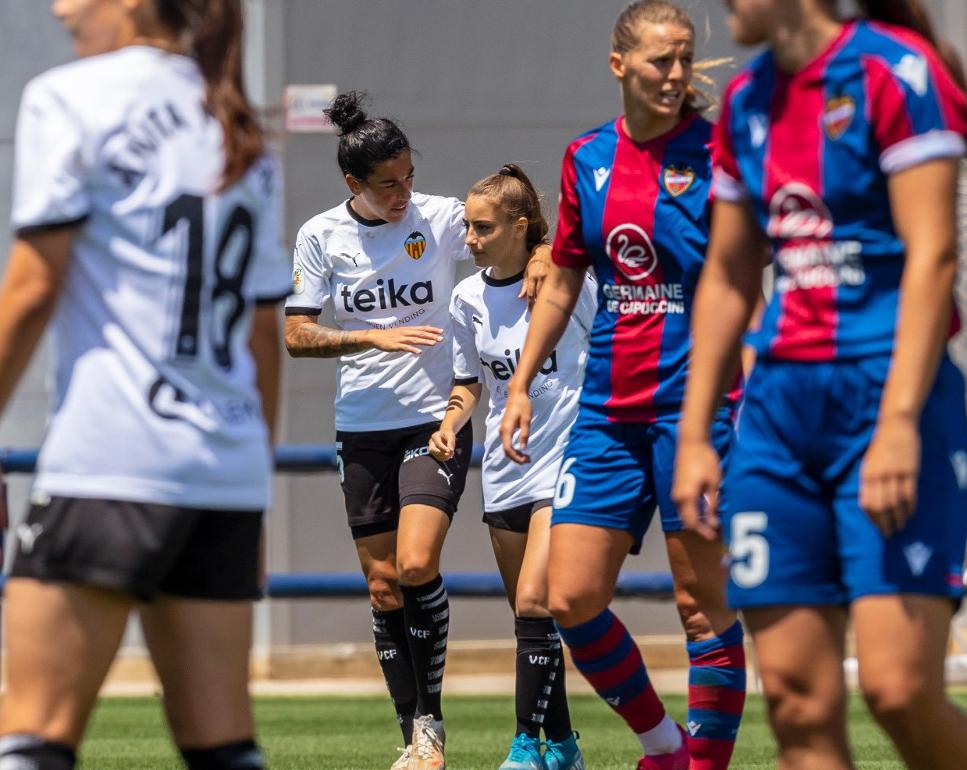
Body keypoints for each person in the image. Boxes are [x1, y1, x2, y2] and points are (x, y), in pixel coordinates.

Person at [0, 2, 286, 769]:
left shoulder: (70, 96)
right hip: (222, 471)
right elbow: (262, 336)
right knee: (224, 748)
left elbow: (34, 286)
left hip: (110, 457)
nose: (57, 5)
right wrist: (250, 482)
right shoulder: (236, 123)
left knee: (32, 739)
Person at [673, 1, 967, 768]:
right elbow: (726, 275)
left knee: (897, 690)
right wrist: (694, 437)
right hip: (778, 421)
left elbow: (935, 256)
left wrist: (897, 424)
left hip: (888, 406)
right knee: (795, 701)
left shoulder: (894, 72)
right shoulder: (748, 102)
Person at [500, 3, 747, 769]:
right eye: (658, 62)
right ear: (619, 66)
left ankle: (700, 766)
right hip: (607, 410)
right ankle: (664, 747)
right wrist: (519, 386)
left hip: (698, 408)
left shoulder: (720, 155)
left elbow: (745, 280)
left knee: (701, 606)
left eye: (683, 60)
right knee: (565, 596)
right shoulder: (586, 158)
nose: (674, 75)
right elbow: (566, 274)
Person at [285, 92, 548, 770]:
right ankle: (419, 735)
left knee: (414, 565)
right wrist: (374, 336)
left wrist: (545, 252)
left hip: (436, 421)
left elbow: (514, 224)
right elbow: (295, 334)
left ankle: (433, 720)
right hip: (361, 428)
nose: (404, 192)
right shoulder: (320, 236)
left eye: (408, 175)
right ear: (354, 185)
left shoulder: (437, 217)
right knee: (381, 588)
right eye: (387, 184)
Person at [428, 165, 594, 770]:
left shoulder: (565, 281)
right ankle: (567, 750)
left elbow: (608, 350)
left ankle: (526, 747)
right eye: (468, 227)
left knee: (534, 601)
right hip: (505, 468)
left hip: (565, 460)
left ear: (520, 228)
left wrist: (549, 254)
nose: (468, 239)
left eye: (482, 227)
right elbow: (471, 382)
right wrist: (450, 422)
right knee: (531, 623)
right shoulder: (467, 298)